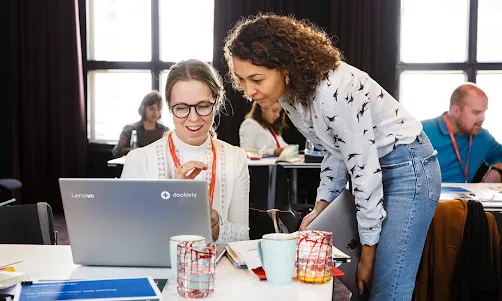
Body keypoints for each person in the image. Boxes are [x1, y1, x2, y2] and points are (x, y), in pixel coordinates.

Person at [224, 14, 440, 300]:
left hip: (408, 168)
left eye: (256, 79)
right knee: (348, 285)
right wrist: (321, 207)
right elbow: (335, 151)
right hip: (372, 171)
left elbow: (364, 172)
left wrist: (368, 255)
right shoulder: (290, 95)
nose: (249, 92)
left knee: (387, 289)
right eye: (241, 80)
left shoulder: (333, 90)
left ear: (285, 67)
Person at [121, 59, 250, 244]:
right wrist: (170, 204)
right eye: (181, 108)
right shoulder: (140, 160)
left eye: (203, 106)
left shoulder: (235, 159)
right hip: (158, 270)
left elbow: (242, 240)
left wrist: (212, 219)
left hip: (217, 270)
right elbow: (128, 237)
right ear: (169, 107)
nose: (194, 118)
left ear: (217, 103)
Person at [422, 83, 502, 183]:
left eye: (484, 112)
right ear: (456, 111)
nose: (483, 118)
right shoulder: (420, 132)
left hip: (464, 197)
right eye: (476, 112)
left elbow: (500, 156)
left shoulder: (482, 137)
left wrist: (498, 170)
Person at [112, 91, 169, 158]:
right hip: (135, 166)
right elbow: (117, 152)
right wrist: (132, 151)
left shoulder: (165, 131)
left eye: (158, 109)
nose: (155, 113)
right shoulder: (130, 129)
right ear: (143, 108)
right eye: (151, 109)